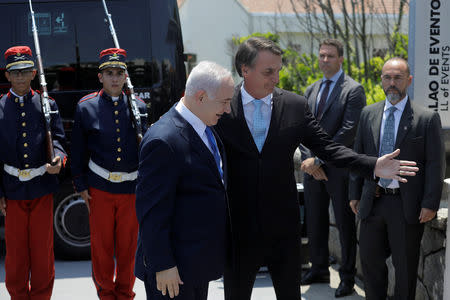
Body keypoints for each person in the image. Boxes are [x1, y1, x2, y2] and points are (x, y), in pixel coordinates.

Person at [214, 37, 418, 300]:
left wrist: (373, 165)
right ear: (245, 69)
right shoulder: (222, 106)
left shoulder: (294, 105)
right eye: (268, 72)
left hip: (284, 229)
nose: (276, 78)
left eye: (278, 70)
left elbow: (329, 148)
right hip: (238, 229)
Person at [134, 61, 234, 300]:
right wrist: (162, 264)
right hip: (173, 271)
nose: (228, 109)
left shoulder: (206, 127)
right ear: (201, 97)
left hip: (196, 264)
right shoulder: (164, 140)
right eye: (224, 102)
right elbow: (151, 211)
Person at [349, 57, 444, 300]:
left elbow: (435, 164)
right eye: (387, 78)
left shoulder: (426, 118)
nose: (392, 83)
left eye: (398, 78)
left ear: (409, 81)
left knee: (405, 271)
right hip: (373, 202)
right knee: (370, 268)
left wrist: (430, 202)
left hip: (406, 206)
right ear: (381, 80)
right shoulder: (368, 114)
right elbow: (358, 156)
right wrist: (354, 194)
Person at [71, 48, 148, 300]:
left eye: (119, 73)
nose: (115, 78)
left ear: (126, 76)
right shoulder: (86, 107)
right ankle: (105, 294)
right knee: (102, 248)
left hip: (130, 188)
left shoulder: (139, 107)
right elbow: (78, 150)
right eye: (109, 73)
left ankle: (125, 293)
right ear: (100, 77)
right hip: (100, 188)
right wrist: (80, 184)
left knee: (128, 248)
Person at [299, 39, 365, 297]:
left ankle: (347, 277)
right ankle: (319, 268)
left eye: (330, 56)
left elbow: (348, 130)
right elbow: (302, 128)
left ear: (341, 59)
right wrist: (309, 160)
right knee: (314, 221)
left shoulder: (353, 90)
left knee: (345, 224)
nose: (324, 60)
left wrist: (320, 160)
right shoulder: (310, 89)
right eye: (322, 55)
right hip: (313, 169)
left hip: (339, 169)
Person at [0, 45, 66, 300]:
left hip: (41, 187)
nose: (19, 77)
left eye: (25, 71)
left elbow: (58, 140)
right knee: (16, 256)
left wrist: (59, 158)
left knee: (42, 254)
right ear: (7, 75)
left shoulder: (47, 104)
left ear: (33, 73)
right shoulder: (1, 108)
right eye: (14, 72)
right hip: (13, 190)